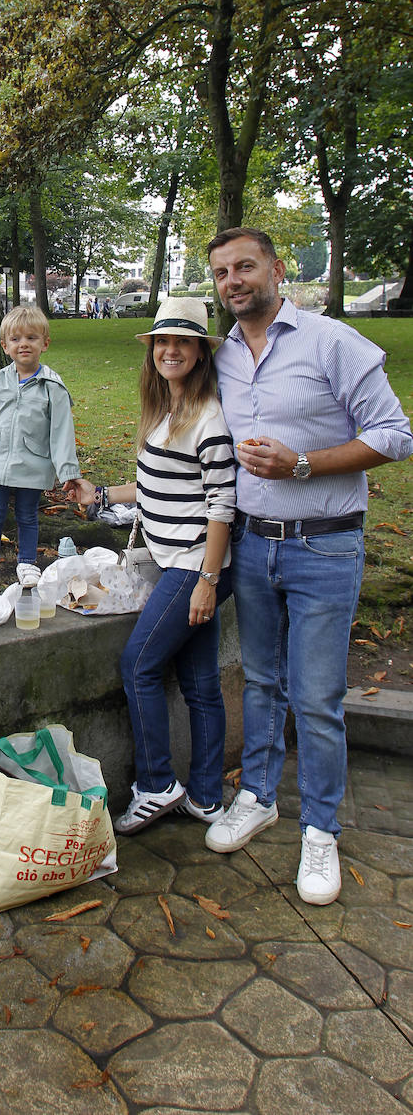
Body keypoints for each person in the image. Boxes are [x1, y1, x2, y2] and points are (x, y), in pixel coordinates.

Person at [204, 227, 413, 905]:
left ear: (276, 269)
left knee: (317, 697)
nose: (233, 280)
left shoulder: (331, 341)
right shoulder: (225, 355)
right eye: (221, 273)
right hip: (253, 544)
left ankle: (320, 829)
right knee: (261, 681)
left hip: (325, 544)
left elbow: (394, 433)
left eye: (245, 266)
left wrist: (304, 464)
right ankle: (260, 796)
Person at [69, 298, 237, 833]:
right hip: (175, 562)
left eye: (182, 342)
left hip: (194, 566)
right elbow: (153, 487)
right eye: (163, 342)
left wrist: (207, 582)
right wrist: (100, 494)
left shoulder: (208, 420)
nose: (170, 351)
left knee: (138, 665)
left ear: (200, 353)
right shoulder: (165, 410)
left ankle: (157, 784)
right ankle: (207, 798)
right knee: (200, 683)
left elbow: (222, 507)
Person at [0, 306, 82, 588]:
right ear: (5, 346)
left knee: (27, 516)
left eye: (31, 338)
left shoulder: (52, 387)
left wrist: (67, 471)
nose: (24, 344)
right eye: (16, 339)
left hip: (33, 465)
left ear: (45, 343)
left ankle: (28, 562)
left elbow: (62, 432)